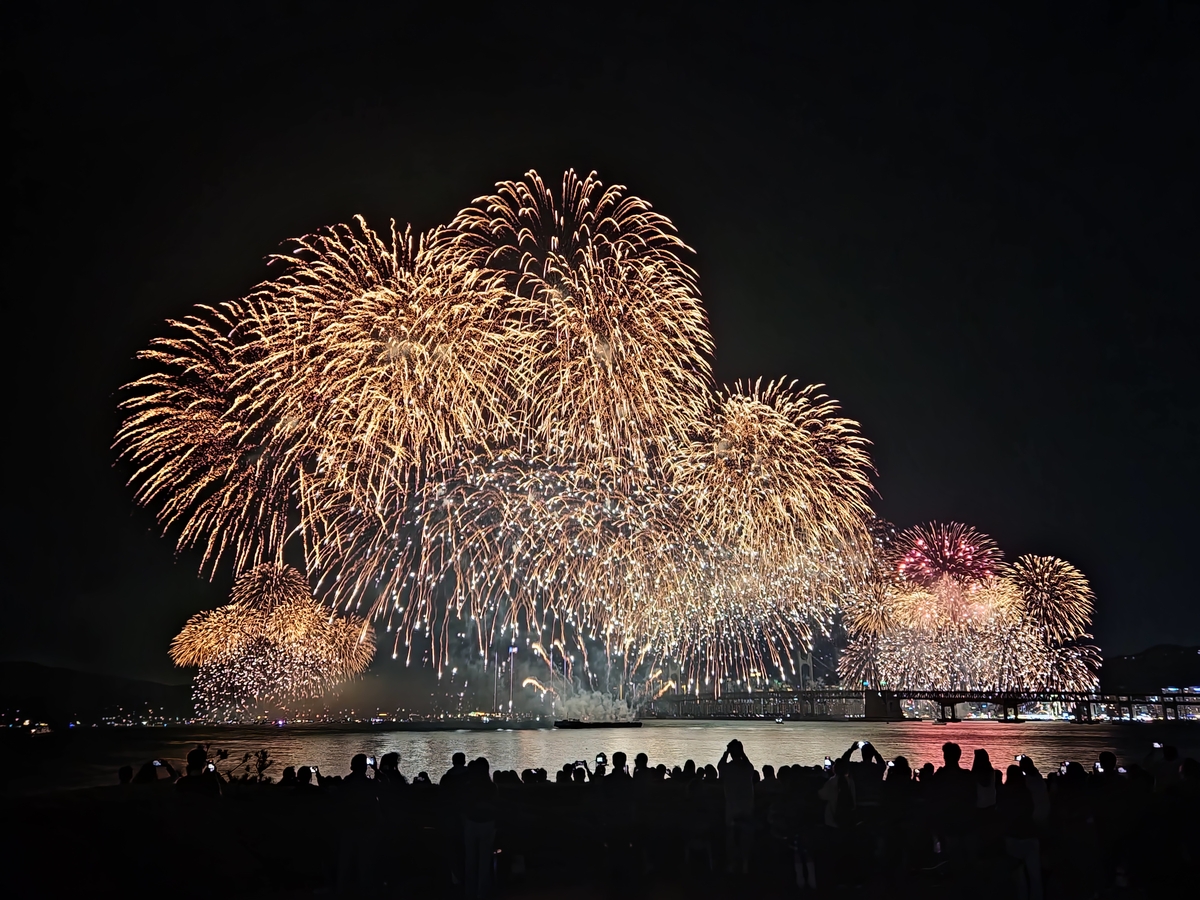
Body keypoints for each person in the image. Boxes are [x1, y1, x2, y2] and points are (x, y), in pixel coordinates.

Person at [999, 765, 1042, 900]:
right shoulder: (1028, 791)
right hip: (1030, 835)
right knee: (1035, 877)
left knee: (1019, 877)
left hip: (1012, 837)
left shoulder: (1004, 792)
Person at [718, 740, 756, 874]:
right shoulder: (748, 768)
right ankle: (745, 864)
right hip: (747, 807)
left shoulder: (727, 768)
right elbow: (749, 764)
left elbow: (720, 766)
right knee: (746, 837)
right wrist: (742, 753)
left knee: (731, 838)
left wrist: (726, 752)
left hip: (732, 808)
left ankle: (731, 865)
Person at [463, 758, 497, 900]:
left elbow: (464, 805)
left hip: (471, 823)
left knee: (470, 860)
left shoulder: (469, 786)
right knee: (484, 862)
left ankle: (469, 892)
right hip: (487, 824)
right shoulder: (492, 787)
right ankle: (482, 893)